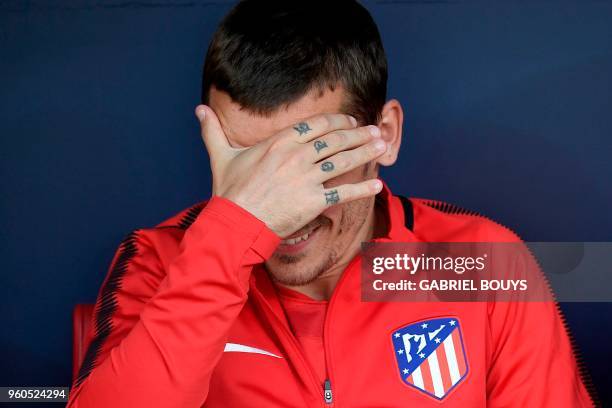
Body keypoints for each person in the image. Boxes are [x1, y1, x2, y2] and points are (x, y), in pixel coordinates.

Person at [66, 1, 596, 406]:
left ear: (383, 135)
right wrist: (228, 235)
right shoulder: (158, 262)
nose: (283, 206)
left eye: (315, 157)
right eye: (249, 164)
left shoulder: (483, 264)